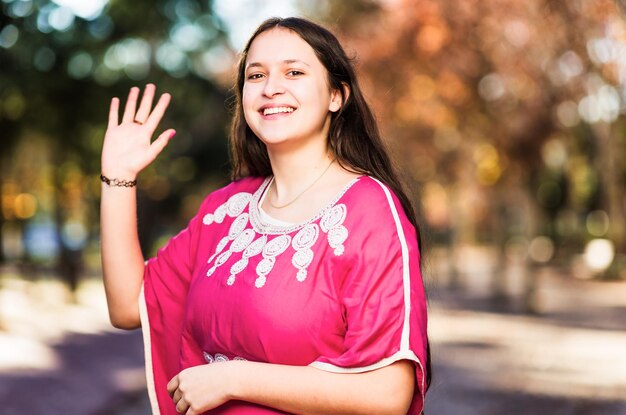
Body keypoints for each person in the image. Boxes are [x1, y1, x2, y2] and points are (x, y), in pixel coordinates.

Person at [101, 16, 430, 415]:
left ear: (336, 96)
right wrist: (118, 178)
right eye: (256, 75)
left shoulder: (370, 211)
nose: (271, 88)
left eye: (294, 72)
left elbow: (387, 394)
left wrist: (234, 379)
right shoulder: (226, 210)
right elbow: (127, 305)